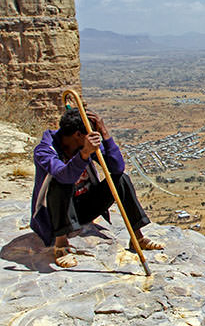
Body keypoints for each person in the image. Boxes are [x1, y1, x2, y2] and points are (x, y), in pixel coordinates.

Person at [30, 107, 162, 268]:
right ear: (78, 135)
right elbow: (65, 176)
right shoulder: (45, 150)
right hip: (56, 214)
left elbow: (117, 168)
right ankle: (61, 245)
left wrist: (105, 133)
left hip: (82, 209)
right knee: (60, 183)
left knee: (120, 179)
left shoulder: (81, 144)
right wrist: (85, 153)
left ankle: (137, 237)